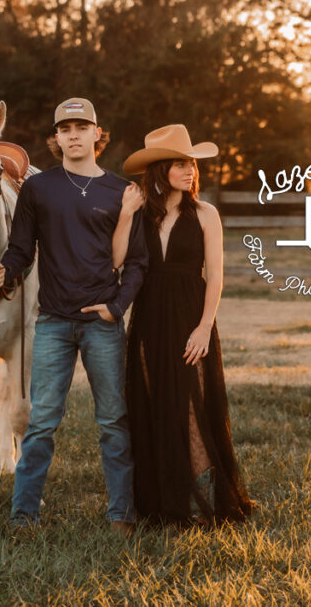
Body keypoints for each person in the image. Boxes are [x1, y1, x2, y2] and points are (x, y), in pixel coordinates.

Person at [0, 97, 149, 535]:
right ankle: (23, 515)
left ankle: (121, 514)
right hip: (54, 321)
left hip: (102, 323)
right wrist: (6, 273)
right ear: (56, 139)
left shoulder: (121, 192)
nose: (73, 134)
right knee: (41, 423)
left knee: (113, 420)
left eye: (82, 126)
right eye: (65, 128)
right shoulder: (39, 190)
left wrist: (116, 309)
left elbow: (136, 262)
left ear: (98, 133)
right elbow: (21, 248)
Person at [114, 123, 254, 525]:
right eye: (180, 163)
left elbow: (216, 275)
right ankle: (160, 500)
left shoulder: (206, 213)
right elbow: (117, 261)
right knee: (153, 401)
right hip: (149, 317)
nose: (190, 170)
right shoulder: (140, 214)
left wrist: (204, 327)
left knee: (192, 404)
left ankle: (202, 498)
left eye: (192, 163)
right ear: (160, 169)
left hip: (191, 316)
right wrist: (125, 215)